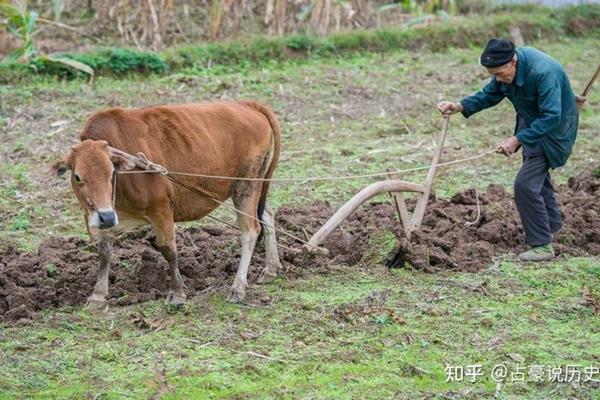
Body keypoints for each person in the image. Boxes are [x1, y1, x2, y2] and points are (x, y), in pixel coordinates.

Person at [437, 38, 586, 262]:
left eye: (499, 74)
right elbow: (491, 93)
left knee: (525, 184)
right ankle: (553, 225)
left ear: (513, 61)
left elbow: (552, 117)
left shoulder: (544, 72)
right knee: (536, 179)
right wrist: (460, 106)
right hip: (532, 120)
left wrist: (517, 139)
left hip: (554, 129)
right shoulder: (507, 69)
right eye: (493, 75)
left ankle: (542, 245)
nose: (497, 79)